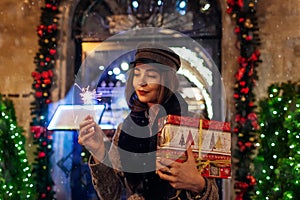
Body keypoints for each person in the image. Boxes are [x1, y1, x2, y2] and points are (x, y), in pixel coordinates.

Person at [78, 43, 219, 200]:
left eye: (151, 75)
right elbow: (111, 194)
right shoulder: (125, 128)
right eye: (137, 74)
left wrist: (197, 183)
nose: (141, 82)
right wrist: (99, 152)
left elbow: (213, 196)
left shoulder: (194, 124)